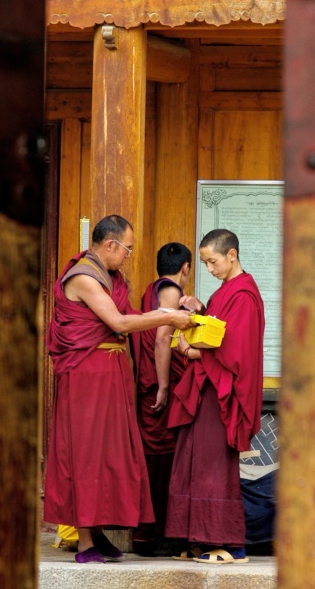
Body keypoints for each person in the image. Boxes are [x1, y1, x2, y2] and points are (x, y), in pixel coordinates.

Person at [43, 214, 195, 564]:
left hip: (110, 376)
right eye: (127, 248)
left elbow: (132, 314)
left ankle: (97, 535)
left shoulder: (112, 278)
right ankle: (84, 543)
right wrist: (168, 316)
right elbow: (119, 322)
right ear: (110, 244)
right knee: (86, 452)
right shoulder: (84, 277)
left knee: (110, 453)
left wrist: (180, 306)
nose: (128, 255)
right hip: (86, 376)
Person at [165, 228, 265, 564]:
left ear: (232, 255)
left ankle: (230, 543)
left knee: (213, 464)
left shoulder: (245, 294)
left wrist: (191, 352)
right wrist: (200, 309)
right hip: (206, 389)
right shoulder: (226, 291)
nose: (209, 268)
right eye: (205, 263)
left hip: (221, 392)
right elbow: (216, 327)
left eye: (213, 261)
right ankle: (200, 537)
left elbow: (235, 348)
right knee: (192, 458)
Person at [131, 242, 193, 556]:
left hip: (148, 385)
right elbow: (161, 340)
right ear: (186, 268)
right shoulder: (169, 290)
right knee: (161, 461)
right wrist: (165, 386)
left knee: (156, 459)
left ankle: (148, 534)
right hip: (158, 389)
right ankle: (151, 536)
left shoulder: (151, 290)